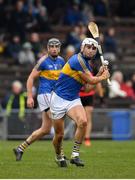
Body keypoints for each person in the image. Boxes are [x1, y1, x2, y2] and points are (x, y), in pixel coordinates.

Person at [50, 38, 110, 167]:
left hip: (73, 99)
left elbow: (88, 87)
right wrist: (102, 77)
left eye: (93, 48)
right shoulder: (77, 60)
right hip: (58, 99)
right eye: (88, 47)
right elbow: (91, 81)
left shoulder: (87, 65)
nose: (91, 50)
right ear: (82, 48)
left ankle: (75, 155)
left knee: (83, 122)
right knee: (59, 135)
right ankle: (58, 155)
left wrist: (99, 74)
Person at [13, 38, 65, 161]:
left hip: (55, 96)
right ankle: (60, 154)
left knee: (45, 129)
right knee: (57, 123)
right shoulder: (43, 61)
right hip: (44, 95)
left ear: (59, 48)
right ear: (47, 48)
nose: (54, 49)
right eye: (51, 46)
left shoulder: (62, 61)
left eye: (56, 46)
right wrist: (30, 96)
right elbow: (30, 78)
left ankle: (20, 148)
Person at [80, 82, 104, 147]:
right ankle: (79, 137)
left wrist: (101, 98)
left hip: (89, 96)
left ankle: (87, 138)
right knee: (79, 119)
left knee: (88, 118)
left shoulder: (94, 71)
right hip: (78, 96)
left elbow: (98, 82)